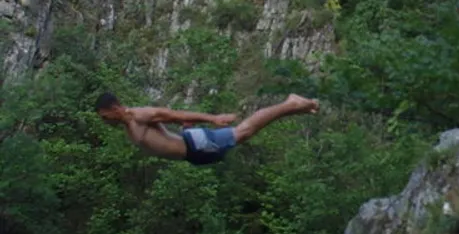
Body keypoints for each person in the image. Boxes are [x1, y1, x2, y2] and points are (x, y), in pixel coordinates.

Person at [95, 92, 317, 166]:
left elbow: (173, 114)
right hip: (192, 150)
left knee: (244, 131)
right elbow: (169, 124)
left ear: (114, 108)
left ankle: (290, 103)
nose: (105, 122)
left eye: (105, 116)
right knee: (244, 133)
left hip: (194, 145)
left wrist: (213, 118)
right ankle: (294, 107)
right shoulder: (129, 126)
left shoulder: (138, 116)